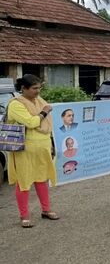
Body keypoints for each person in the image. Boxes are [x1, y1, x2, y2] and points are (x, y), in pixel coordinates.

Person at [7, 74, 59, 228]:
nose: (38, 91)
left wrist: (50, 143)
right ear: (24, 88)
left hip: (42, 147)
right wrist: (44, 112)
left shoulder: (39, 101)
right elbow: (31, 122)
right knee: (24, 181)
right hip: (24, 149)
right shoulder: (16, 104)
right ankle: (24, 216)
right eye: (35, 88)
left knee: (42, 178)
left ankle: (46, 210)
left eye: (39, 88)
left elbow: (47, 124)